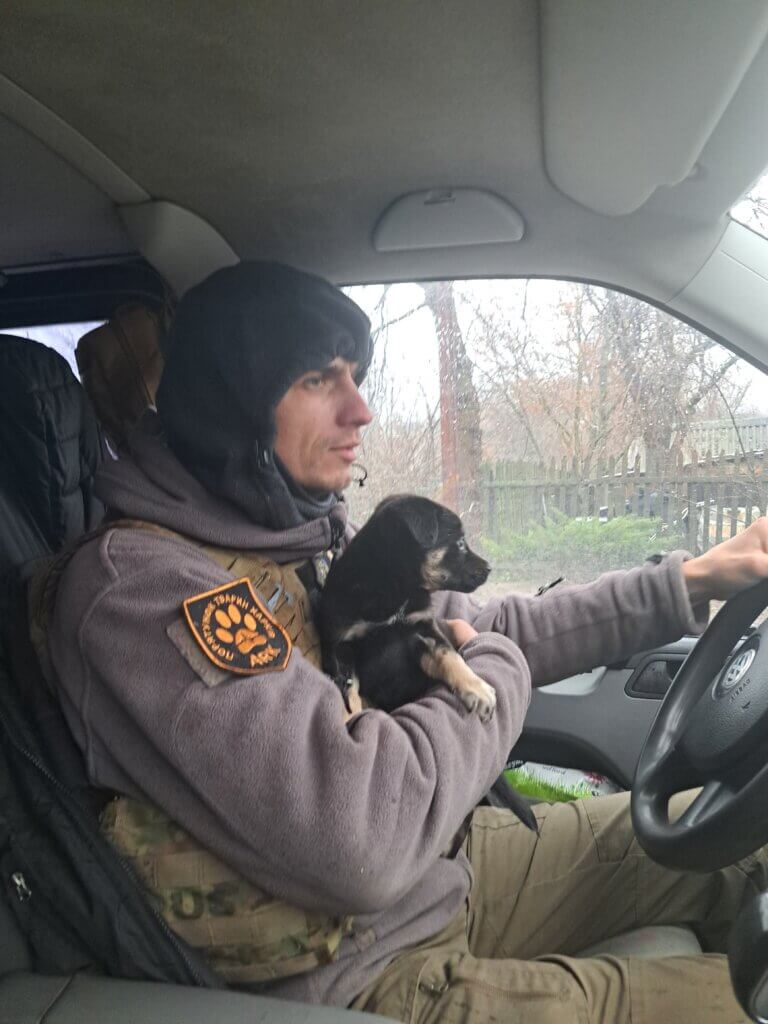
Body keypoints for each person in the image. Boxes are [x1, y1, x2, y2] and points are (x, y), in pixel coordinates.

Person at [44, 261, 768, 1023]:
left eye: (357, 375)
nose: (361, 409)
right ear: (233, 400)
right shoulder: (144, 591)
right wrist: (491, 667)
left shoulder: (298, 537)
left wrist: (691, 580)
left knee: (714, 837)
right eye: (320, 380)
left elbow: (482, 626)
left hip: (446, 878)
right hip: (357, 979)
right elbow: (360, 836)